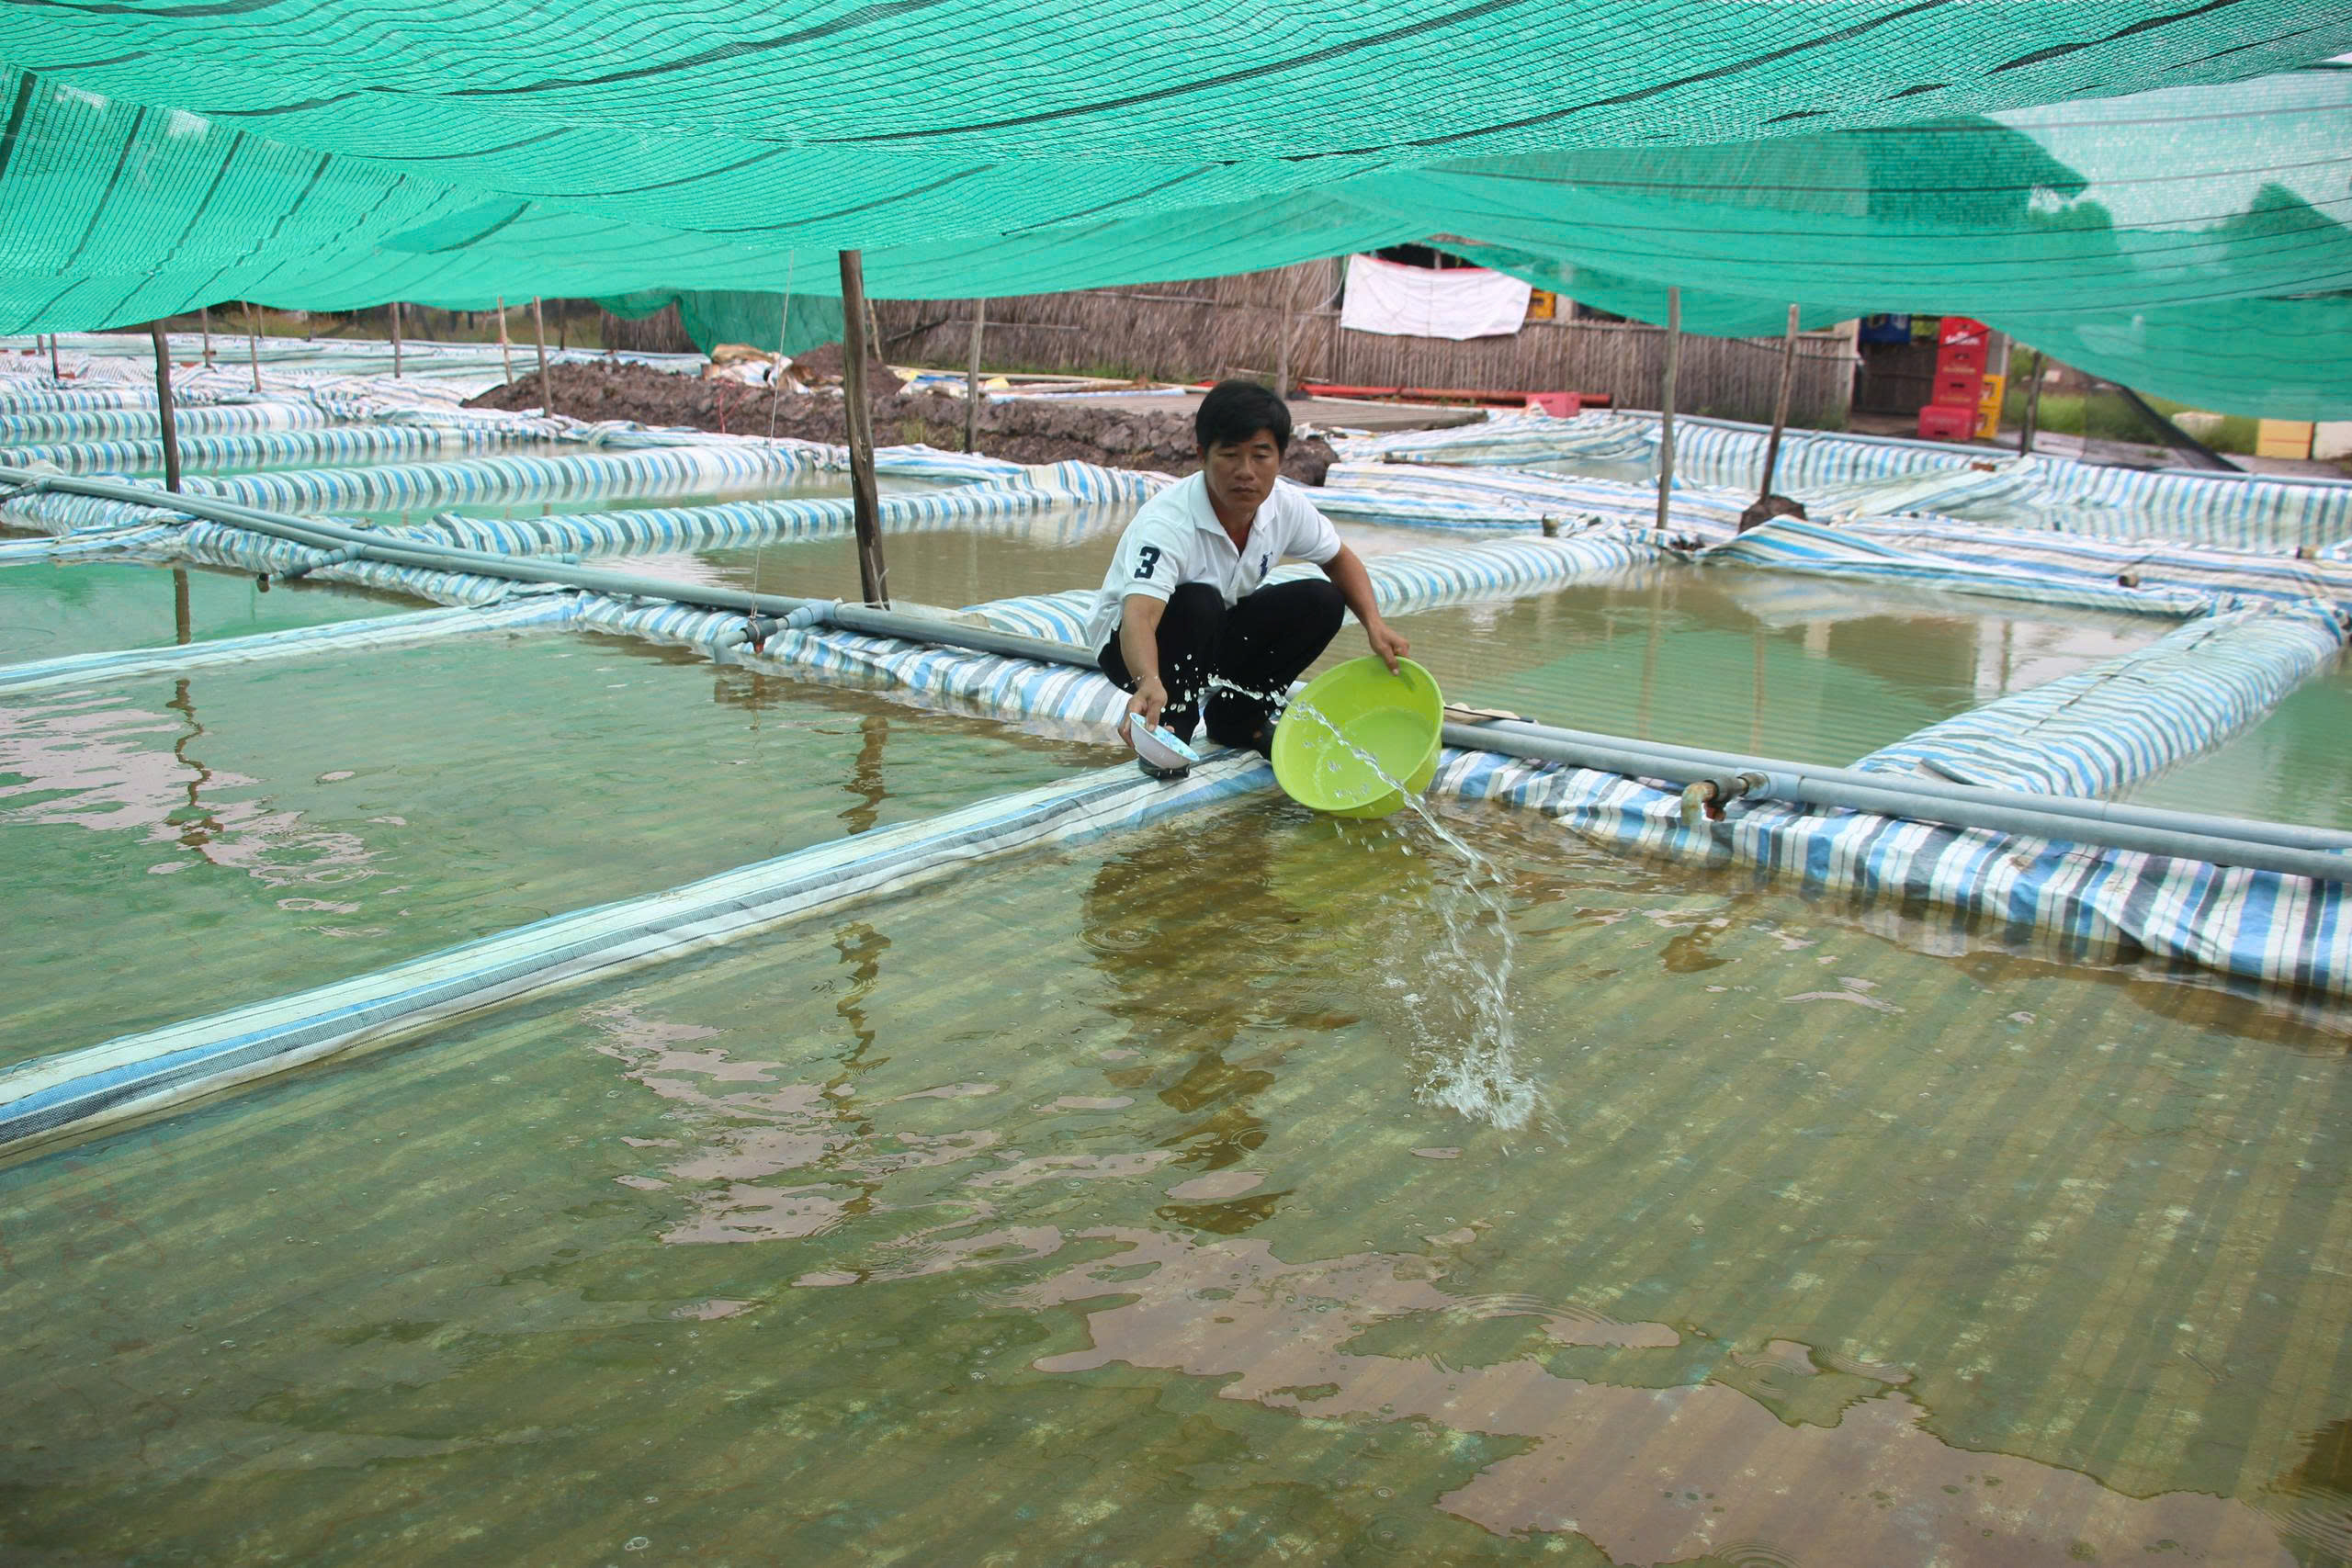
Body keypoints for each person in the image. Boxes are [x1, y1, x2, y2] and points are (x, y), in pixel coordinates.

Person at [1090, 379, 1408, 775]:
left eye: (1260, 456)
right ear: (1202, 456)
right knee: (1199, 600)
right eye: (1229, 455)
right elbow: (1140, 615)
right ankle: (1170, 729)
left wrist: (1375, 625)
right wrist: (1148, 679)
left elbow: (1339, 559)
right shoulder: (1168, 521)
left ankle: (1240, 719)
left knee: (1322, 600)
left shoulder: (1285, 507)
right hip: (1129, 647)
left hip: (1212, 630)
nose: (1246, 472)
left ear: (1280, 458)